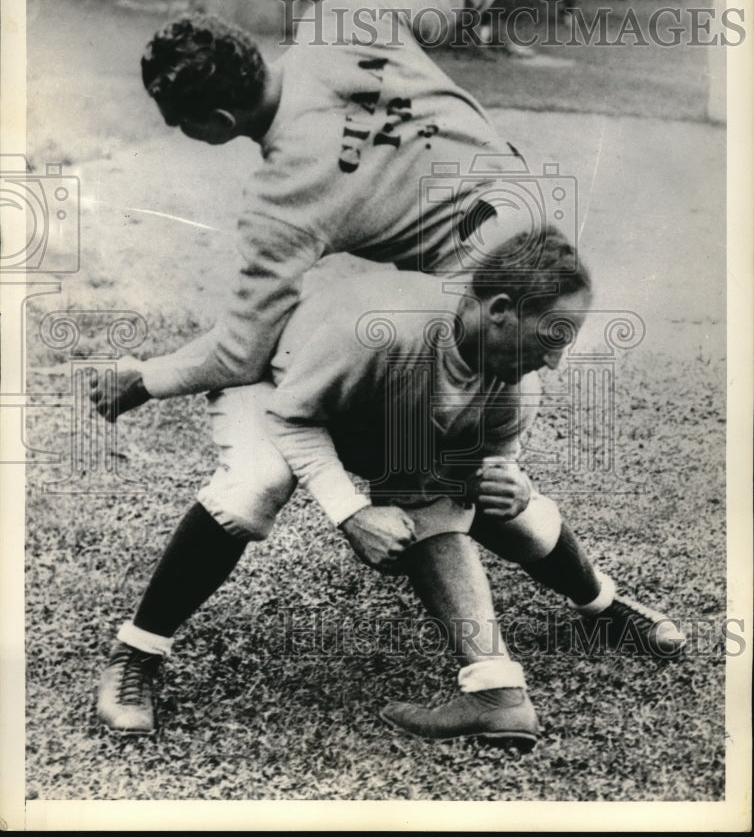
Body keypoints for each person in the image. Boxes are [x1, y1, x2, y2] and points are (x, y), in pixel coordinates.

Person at [96, 230, 686, 739]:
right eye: (553, 336)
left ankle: (600, 609)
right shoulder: (379, 329)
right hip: (280, 388)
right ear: (501, 309)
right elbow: (292, 416)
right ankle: (138, 650)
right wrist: (351, 512)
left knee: (516, 518)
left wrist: (512, 487)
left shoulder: (513, 382)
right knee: (256, 486)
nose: (556, 361)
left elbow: (488, 470)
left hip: (376, 416)